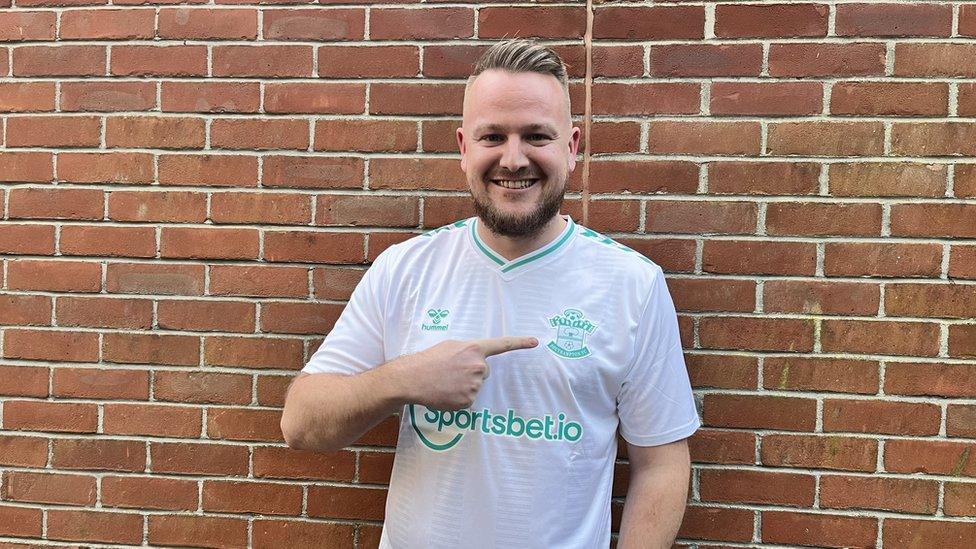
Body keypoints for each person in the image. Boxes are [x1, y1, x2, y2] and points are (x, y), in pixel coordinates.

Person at [280, 39, 700, 548]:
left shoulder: (632, 284)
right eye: (493, 136)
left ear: (571, 148)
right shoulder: (405, 270)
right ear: (464, 148)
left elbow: (661, 463)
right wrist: (403, 379)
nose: (514, 157)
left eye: (537, 135)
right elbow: (301, 424)